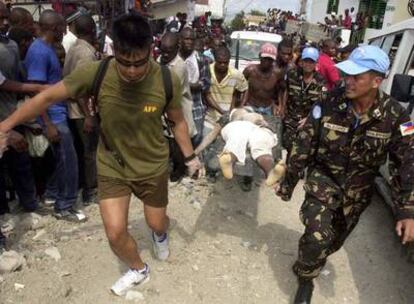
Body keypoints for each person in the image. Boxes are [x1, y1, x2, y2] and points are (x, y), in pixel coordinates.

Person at [0, 12, 201, 296]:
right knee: (115, 232)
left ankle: (159, 233)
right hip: (113, 164)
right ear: (114, 50)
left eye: (139, 62)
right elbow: (46, 97)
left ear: (150, 51)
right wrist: (5, 126)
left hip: (152, 166)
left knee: (156, 221)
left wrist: (190, 157)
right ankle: (138, 269)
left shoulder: (166, 79)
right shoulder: (97, 71)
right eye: (125, 62)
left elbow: (178, 121)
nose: (132, 71)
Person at [276, 45, 414, 303]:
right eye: (346, 74)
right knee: (317, 235)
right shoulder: (329, 101)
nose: (347, 81)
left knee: (334, 241)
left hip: (358, 193)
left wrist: (407, 210)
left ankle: (315, 259)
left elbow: (407, 160)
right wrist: (289, 181)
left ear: (376, 81)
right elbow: (305, 142)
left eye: (356, 77)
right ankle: (306, 278)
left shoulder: (398, 116)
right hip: (323, 182)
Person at [24, 9, 85, 222]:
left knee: (60, 160)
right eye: (62, 28)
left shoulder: (46, 49)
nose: (65, 32)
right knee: (69, 161)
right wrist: (47, 123)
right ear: (54, 28)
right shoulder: (39, 52)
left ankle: (52, 194)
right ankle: (65, 206)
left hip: (58, 112)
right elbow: (36, 91)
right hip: (53, 117)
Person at [0, 2, 40, 215]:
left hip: (12, 114)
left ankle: (29, 206)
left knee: (21, 165)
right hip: (4, 121)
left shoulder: (11, 45)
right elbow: (5, 83)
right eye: (0, 18)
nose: (4, 23)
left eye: (6, 17)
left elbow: (16, 80)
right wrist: (38, 87)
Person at [196, 107, 285, 186]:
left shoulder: (230, 117)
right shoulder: (255, 115)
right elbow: (263, 123)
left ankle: (230, 160)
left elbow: (211, 135)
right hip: (259, 130)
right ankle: (270, 172)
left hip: (236, 127)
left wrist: (195, 153)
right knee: (262, 150)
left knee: (235, 144)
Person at [63, 14, 99, 206]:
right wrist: (89, 116)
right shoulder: (85, 53)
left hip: (73, 109)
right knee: (90, 151)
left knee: (84, 151)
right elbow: (82, 88)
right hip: (81, 111)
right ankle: (90, 190)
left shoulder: (75, 48)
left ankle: (84, 187)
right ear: (93, 31)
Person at [159, 31, 197, 182]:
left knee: (177, 140)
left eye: (169, 52)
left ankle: (179, 169)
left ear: (177, 48)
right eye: (163, 51)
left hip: (178, 107)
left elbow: (170, 92)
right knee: (168, 139)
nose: (165, 55)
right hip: (165, 108)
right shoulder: (161, 59)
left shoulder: (179, 67)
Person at [283, 47, 326, 158]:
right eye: (306, 61)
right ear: (301, 61)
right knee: (288, 147)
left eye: (311, 61)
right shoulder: (292, 74)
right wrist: (282, 108)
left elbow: (320, 104)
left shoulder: (321, 81)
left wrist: (309, 119)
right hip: (290, 119)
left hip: (308, 122)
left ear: (316, 63)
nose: (308, 64)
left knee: (303, 152)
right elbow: (285, 92)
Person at [179, 27, 210, 147]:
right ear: (180, 40)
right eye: (186, 39)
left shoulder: (201, 59)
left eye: (192, 39)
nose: (189, 42)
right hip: (175, 103)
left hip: (195, 104)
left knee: (196, 136)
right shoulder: (173, 56)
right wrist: (193, 85)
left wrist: (184, 85)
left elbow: (205, 83)